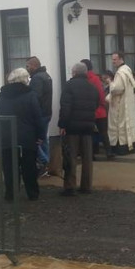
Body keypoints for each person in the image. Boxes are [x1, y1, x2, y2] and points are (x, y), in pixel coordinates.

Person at [0, 67, 45, 202]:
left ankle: (11, 195)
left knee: (9, 167)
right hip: (27, 137)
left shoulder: (3, 96)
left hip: (7, 137)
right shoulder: (30, 95)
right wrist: (40, 136)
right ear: (24, 79)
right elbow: (37, 117)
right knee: (29, 167)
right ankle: (32, 193)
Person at [57, 63, 100, 196]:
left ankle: (70, 186)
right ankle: (86, 186)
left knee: (71, 157)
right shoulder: (92, 87)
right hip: (88, 126)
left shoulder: (69, 86)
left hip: (72, 127)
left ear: (74, 72)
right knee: (87, 158)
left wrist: (62, 125)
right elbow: (96, 104)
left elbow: (65, 107)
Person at [107, 52, 135, 155]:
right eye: (112, 59)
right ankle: (133, 146)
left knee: (120, 125)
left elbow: (117, 89)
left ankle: (121, 148)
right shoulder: (127, 69)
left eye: (115, 59)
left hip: (121, 104)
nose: (113, 62)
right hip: (128, 102)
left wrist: (110, 83)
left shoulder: (120, 72)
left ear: (121, 59)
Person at [25, 56, 52, 176]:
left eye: (27, 66)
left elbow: (35, 97)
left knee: (35, 139)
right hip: (47, 112)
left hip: (40, 113)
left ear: (33, 65)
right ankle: (46, 165)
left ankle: (43, 162)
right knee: (44, 139)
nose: (27, 68)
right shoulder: (46, 75)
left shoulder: (37, 78)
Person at [81, 58, 112, 160]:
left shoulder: (83, 79)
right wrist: (102, 104)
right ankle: (109, 152)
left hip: (88, 111)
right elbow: (100, 93)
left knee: (89, 134)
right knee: (103, 133)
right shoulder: (95, 79)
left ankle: (91, 154)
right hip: (99, 110)